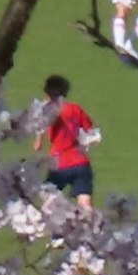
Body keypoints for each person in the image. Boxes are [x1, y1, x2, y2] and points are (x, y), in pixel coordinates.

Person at [40, 72, 98, 206]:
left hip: (59, 165)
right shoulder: (75, 109)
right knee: (85, 204)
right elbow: (90, 131)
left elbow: (40, 126)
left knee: (48, 201)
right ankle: (89, 225)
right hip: (81, 163)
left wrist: (38, 141)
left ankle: (61, 221)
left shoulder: (48, 111)